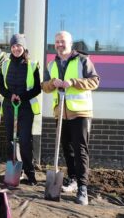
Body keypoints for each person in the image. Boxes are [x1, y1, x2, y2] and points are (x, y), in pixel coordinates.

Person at [42, 31, 99, 206]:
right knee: (67, 149)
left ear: (71, 43)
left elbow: (95, 81)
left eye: (63, 41)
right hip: (61, 113)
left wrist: (73, 82)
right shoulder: (52, 64)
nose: (59, 44)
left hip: (80, 113)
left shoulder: (83, 60)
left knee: (80, 150)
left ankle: (83, 188)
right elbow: (44, 86)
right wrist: (53, 83)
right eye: (57, 41)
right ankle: (72, 179)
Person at [0, 34, 41, 185]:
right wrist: (9, 95)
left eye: (18, 46)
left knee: (24, 140)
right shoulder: (6, 64)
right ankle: (16, 172)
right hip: (9, 106)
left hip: (25, 107)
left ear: (24, 47)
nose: (16, 49)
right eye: (13, 46)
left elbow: (37, 88)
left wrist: (22, 97)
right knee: (11, 140)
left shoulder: (32, 65)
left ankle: (30, 174)